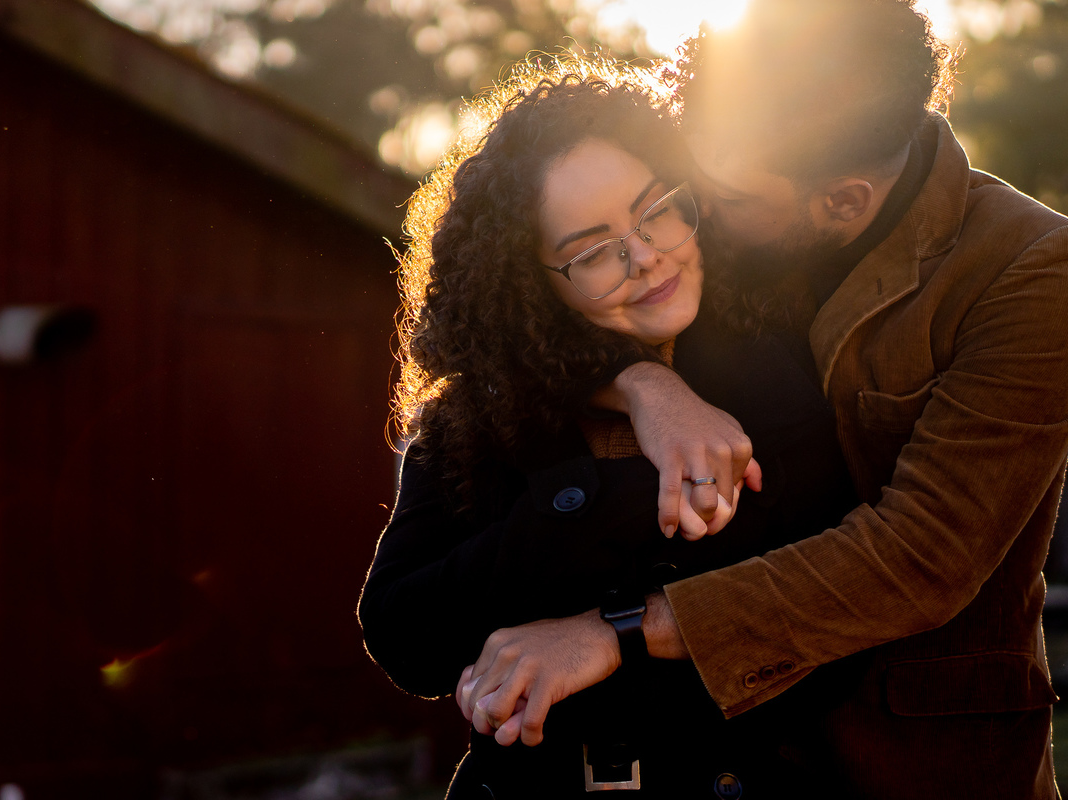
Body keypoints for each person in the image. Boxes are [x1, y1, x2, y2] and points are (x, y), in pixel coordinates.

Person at [457, 1, 1068, 797]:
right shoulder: (734, 201)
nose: (694, 216)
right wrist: (645, 385)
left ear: (842, 202)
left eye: (726, 197)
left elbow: (923, 558)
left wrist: (620, 633)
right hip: (719, 763)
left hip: (910, 763)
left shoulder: (1030, 272)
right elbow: (544, 304)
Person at [359, 55, 859, 798]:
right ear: (531, 282)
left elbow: (823, 595)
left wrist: (601, 632)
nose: (647, 255)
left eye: (658, 208)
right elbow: (406, 636)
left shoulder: (790, 366)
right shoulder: (478, 416)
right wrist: (614, 444)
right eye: (593, 252)